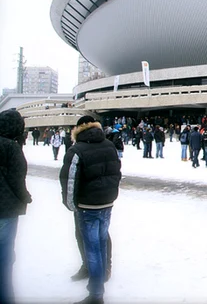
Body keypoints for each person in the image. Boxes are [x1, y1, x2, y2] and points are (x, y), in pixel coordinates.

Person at [60, 115, 122, 303]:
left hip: (88, 206)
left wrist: (71, 205)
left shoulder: (76, 149)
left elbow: (70, 182)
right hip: (106, 203)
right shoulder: (109, 145)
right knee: (101, 243)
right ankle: (98, 279)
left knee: (93, 249)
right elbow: (117, 173)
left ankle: (96, 294)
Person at [0, 110, 32, 304]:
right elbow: (17, 180)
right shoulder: (12, 147)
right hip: (7, 210)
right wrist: (26, 197)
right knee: (4, 259)